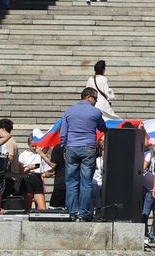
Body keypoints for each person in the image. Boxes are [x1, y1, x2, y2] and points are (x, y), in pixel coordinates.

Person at [58, 87, 106, 220]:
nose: (96, 102)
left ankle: (72, 212)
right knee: (86, 182)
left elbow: (63, 132)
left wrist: (64, 146)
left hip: (71, 147)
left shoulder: (69, 111)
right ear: (88, 97)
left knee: (71, 181)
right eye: (95, 98)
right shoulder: (95, 112)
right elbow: (102, 128)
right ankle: (84, 213)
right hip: (88, 148)